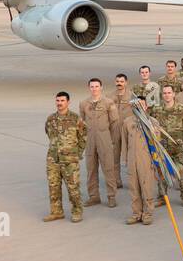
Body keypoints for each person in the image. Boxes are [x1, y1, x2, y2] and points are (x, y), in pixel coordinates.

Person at [44, 91, 86, 223]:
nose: (59, 103)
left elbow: (83, 136)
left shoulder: (75, 118)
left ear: (68, 102)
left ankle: (77, 211)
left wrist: (77, 153)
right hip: (53, 159)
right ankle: (56, 212)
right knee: (53, 186)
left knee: (73, 187)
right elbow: (48, 133)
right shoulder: (51, 119)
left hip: (70, 160)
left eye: (62, 101)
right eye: (57, 101)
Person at [78, 77, 119, 209]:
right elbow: (81, 123)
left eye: (96, 86)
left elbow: (114, 123)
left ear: (101, 87)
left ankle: (111, 196)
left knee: (108, 168)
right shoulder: (84, 103)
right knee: (91, 169)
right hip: (90, 140)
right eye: (92, 86)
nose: (94, 89)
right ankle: (94, 196)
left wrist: (112, 140)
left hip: (104, 139)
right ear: (89, 88)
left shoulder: (108, 103)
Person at [152, 84, 183, 208]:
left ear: (174, 94)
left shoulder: (181, 109)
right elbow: (153, 127)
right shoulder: (157, 110)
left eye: (169, 92)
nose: (167, 95)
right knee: (162, 173)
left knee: (182, 172)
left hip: (178, 147)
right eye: (164, 93)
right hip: (162, 147)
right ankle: (162, 197)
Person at [122, 94, 158, 225]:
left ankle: (148, 213)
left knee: (147, 186)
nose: (139, 107)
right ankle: (136, 213)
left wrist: (156, 162)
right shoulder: (127, 122)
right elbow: (124, 142)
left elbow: (157, 144)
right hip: (132, 159)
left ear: (146, 106)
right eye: (136, 105)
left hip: (146, 159)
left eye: (142, 105)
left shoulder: (153, 122)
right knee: (134, 187)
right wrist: (125, 159)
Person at [110, 73, 131, 190]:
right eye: (117, 81)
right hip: (114, 131)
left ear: (126, 82)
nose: (119, 83)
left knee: (131, 157)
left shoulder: (132, 96)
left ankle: (133, 180)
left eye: (122, 81)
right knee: (114, 157)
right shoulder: (109, 97)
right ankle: (117, 180)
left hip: (128, 131)